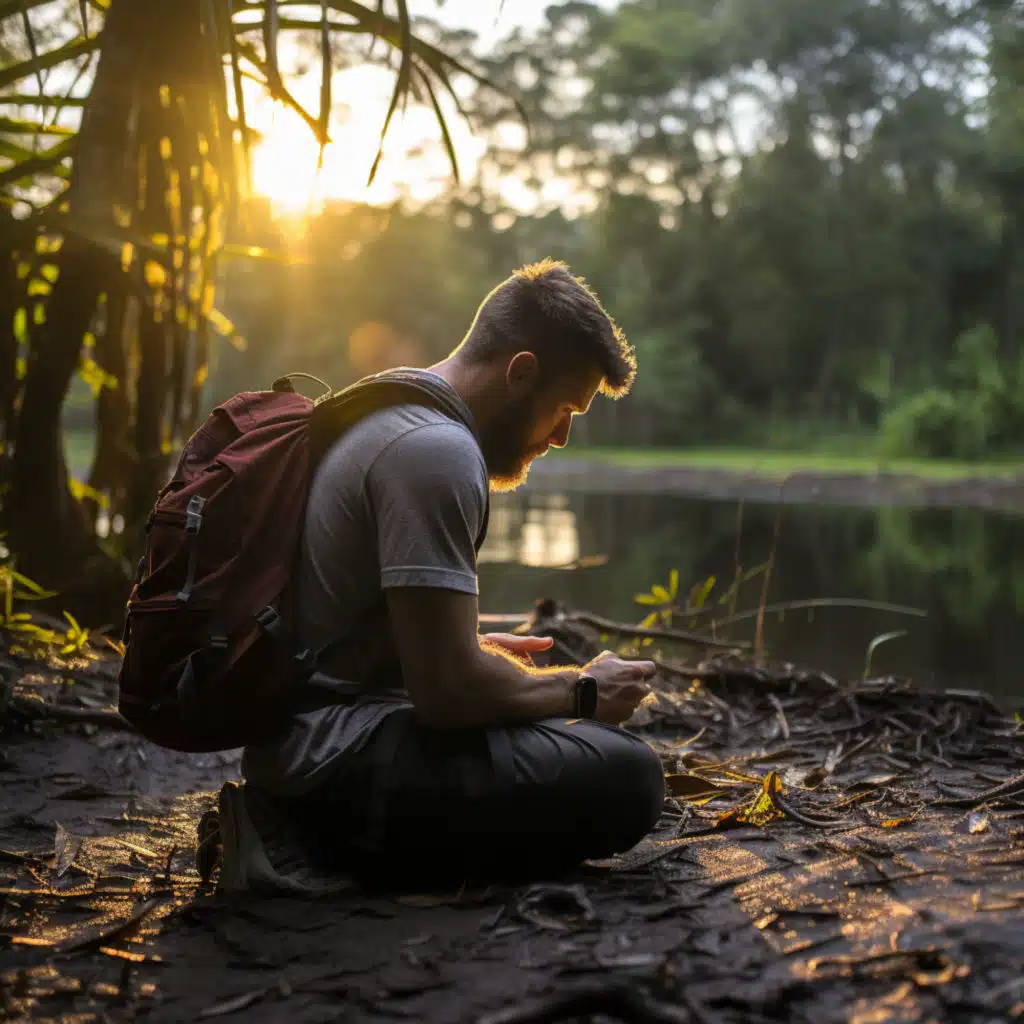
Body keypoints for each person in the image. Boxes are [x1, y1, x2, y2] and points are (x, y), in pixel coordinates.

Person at [211, 259, 665, 893]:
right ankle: (295, 845)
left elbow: (388, 648)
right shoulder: (437, 452)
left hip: (307, 744)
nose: (561, 436)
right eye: (565, 408)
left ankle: (296, 826)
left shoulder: (394, 405)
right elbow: (447, 694)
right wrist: (584, 692)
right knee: (629, 777)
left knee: (556, 731)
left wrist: (464, 657)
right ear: (521, 372)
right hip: (335, 763)